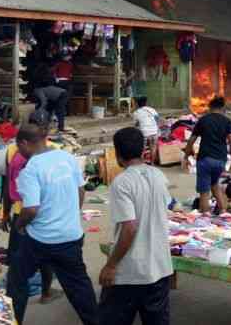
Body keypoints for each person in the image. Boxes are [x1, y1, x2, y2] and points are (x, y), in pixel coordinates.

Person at [6, 124, 98, 325]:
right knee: (79, 286)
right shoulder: (67, 157)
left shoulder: (31, 168)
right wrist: (70, 215)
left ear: (24, 143)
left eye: (18, 146)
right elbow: (81, 191)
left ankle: (13, 321)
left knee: (16, 280)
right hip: (70, 236)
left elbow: (31, 209)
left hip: (40, 240)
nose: (19, 151)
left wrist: (19, 225)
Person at [99, 127, 173, 325]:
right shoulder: (158, 175)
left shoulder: (122, 183)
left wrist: (111, 265)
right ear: (143, 151)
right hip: (160, 268)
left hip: (130, 272)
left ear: (118, 154)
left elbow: (130, 228)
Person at [2, 110, 61, 305]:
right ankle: (44, 293)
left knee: (20, 260)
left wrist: (6, 212)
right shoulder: (55, 150)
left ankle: (18, 302)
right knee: (41, 258)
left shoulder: (14, 148)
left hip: (24, 211)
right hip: (35, 212)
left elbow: (7, 181)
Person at [183, 96, 231, 213]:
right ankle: (223, 212)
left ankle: (205, 217)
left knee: (204, 192)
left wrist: (186, 156)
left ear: (210, 107)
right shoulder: (227, 122)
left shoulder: (203, 120)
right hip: (220, 160)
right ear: (222, 107)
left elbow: (191, 140)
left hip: (205, 159)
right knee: (215, 185)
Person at [33, 64, 68, 134]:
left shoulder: (38, 91)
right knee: (49, 110)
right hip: (55, 95)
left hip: (62, 95)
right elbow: (44, 102)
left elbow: (43, 102)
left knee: (59, 111)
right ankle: (46, 126)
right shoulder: (40, 88)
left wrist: (40, 109)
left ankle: (61, 128)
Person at [132, 97, 159, 161]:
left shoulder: (136, 112)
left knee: (142, 149)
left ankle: (141, 165)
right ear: (146, 103)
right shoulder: (152, 110)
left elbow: (136, 124)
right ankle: (152, 164)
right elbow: (157, 119)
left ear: (137, 104)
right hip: (154, 131)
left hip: (144, 133)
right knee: (153, 147)